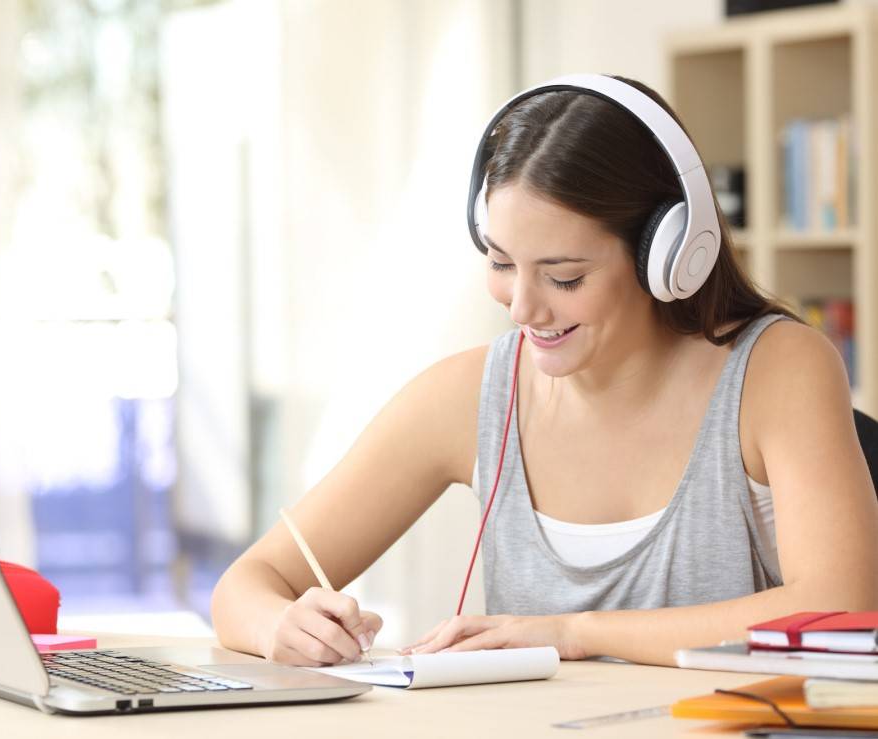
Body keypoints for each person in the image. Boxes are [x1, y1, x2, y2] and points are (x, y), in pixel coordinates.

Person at [210, 74, 878, 667]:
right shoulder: (468, 395)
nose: (522, 308)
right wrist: (280, 625)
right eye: (501, 263)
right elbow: (250, 581)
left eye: (563, 276)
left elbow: (838, 606)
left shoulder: (777, 370)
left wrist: (575, 630)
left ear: (668, 255)